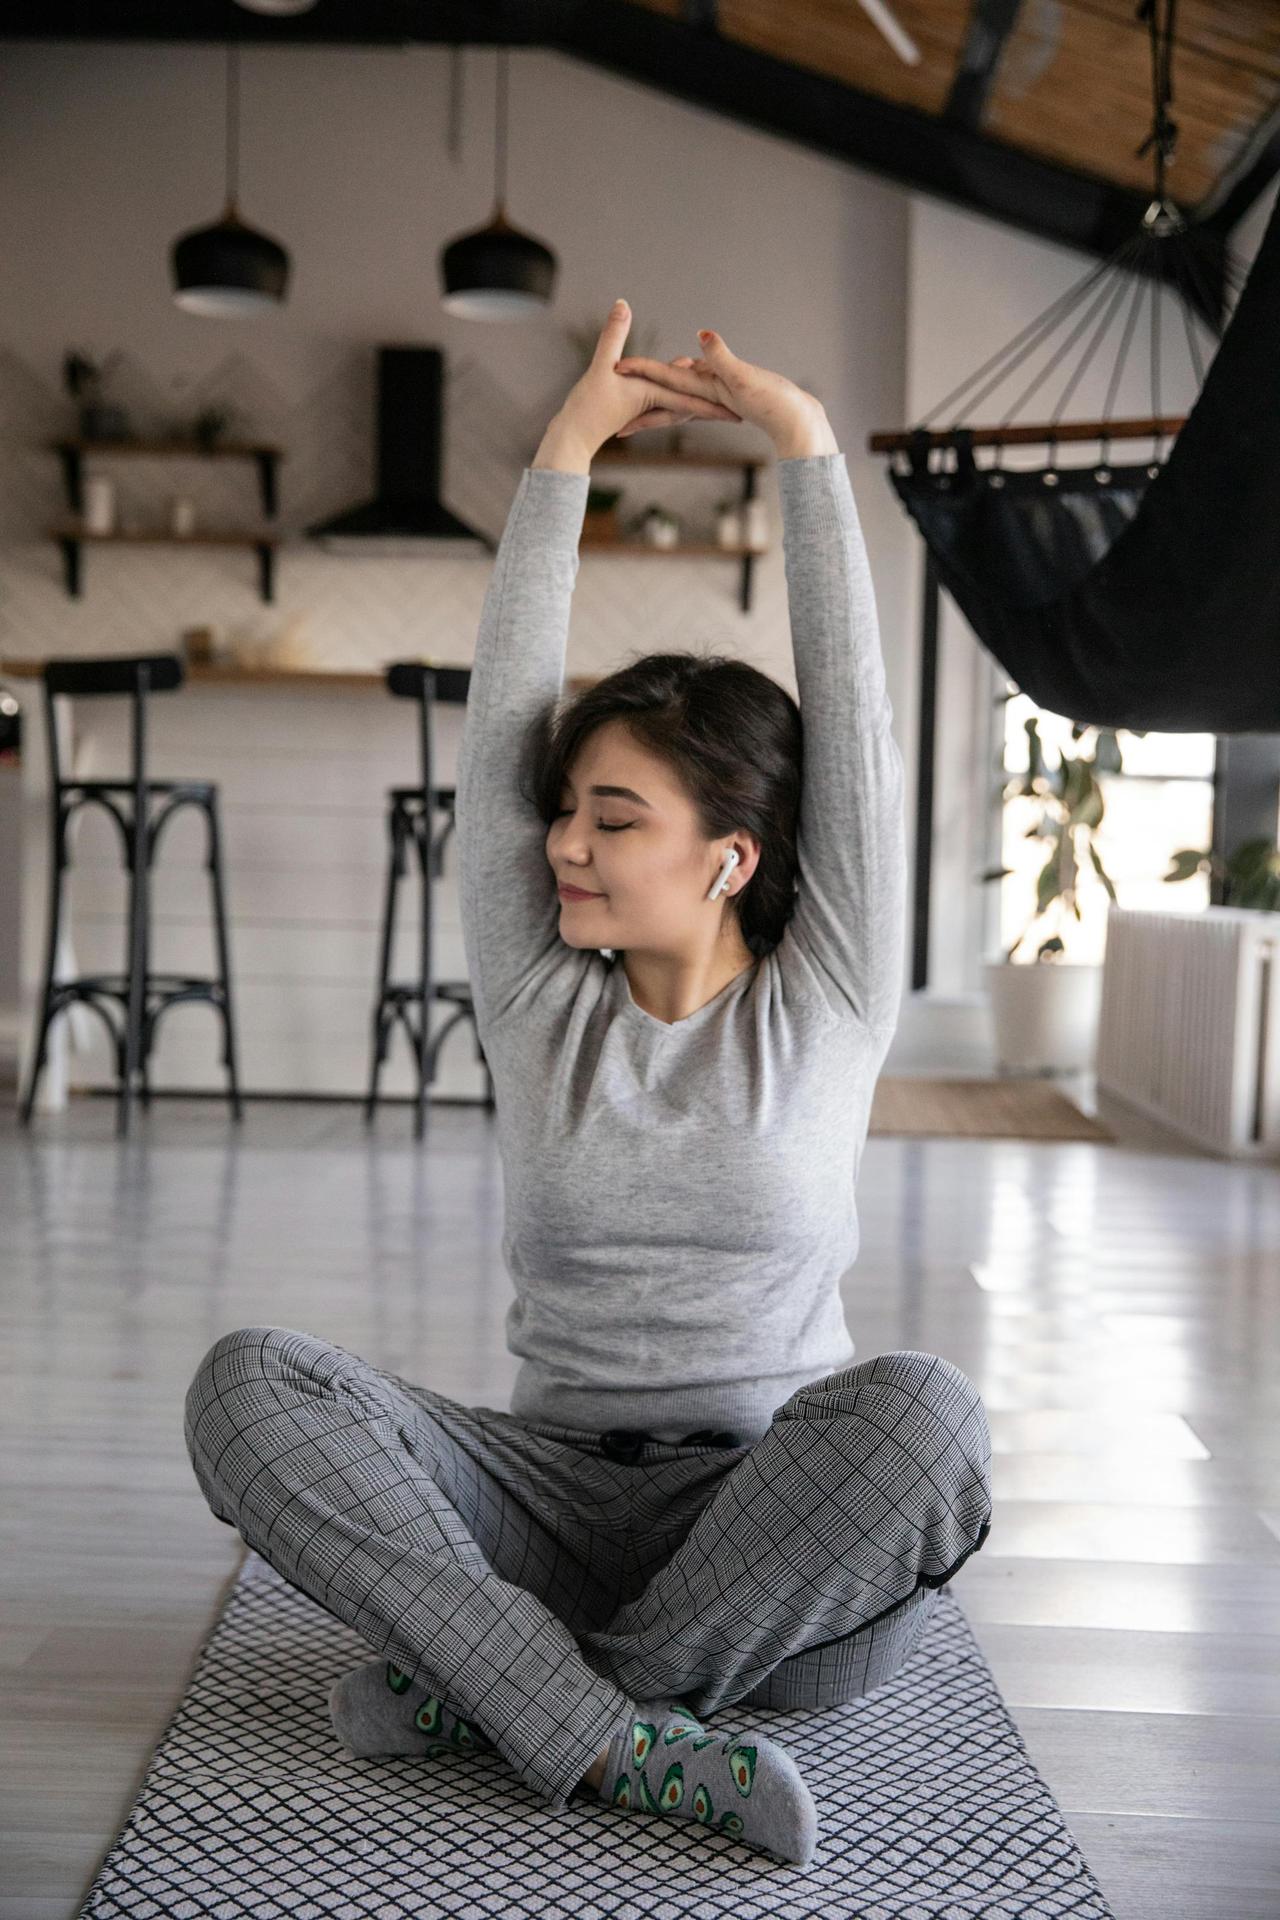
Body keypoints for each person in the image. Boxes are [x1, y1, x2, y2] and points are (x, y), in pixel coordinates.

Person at [184, 299, 993, 1870]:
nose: (565, 841)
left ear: (732, 855)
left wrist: (806, 445)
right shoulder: (541, 996)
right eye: (566, 810)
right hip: (540, 1502)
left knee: (928, 1420)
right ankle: (622, 1736)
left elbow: (864, 741)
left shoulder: (825, 994)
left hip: (769, 1525)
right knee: (247, 1386)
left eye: (614, 818)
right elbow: (501, 723)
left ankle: (505, 1697)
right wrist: (561, 450)